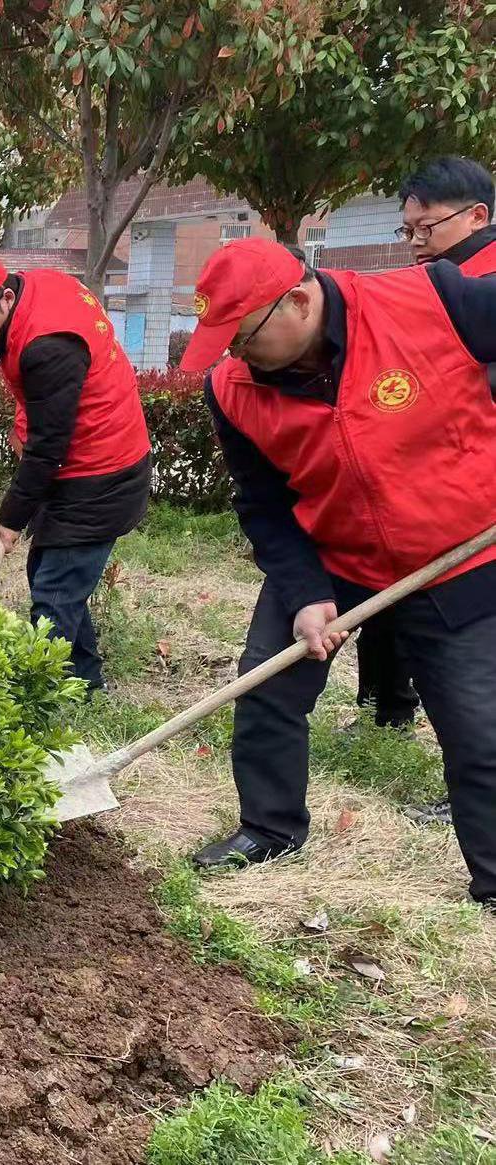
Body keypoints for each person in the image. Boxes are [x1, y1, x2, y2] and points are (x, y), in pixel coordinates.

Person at [178, 237, 496, 912]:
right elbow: (262, 503)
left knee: (479, 729)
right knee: (266, 685)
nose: (235, 356)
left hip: (459, 551)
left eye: (243, 339)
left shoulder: (433, 301)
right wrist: (304, 594)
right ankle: (268, 830)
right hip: (334, 551)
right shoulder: (231, 389)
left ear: (298, 301)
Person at [0, 254, 152, 693]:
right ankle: (85, 682)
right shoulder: (36, 290)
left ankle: (38, 699)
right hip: (82, 461)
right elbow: (41, 409)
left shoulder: (47, 343)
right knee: (51, 575)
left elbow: (47, 447)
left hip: (102, 473)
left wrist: (11, 517)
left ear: (5, 297)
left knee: (55, 590)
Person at [366, 156, 496, 827]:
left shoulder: (480, 286)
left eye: (428, 228)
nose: (416, 242)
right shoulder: (437, 281)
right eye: (408, 229)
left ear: (477, 216)